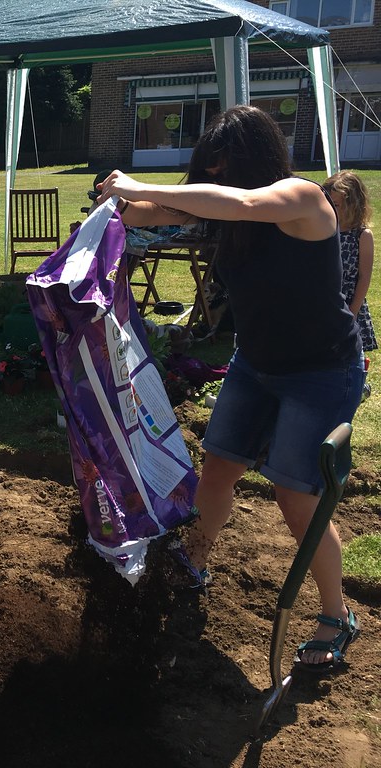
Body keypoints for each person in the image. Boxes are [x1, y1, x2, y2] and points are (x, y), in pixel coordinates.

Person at [97, 105, 364, 671]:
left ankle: (337, 615)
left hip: (321, 372)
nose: (211, 180)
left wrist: (139, 183)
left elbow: (238, 202)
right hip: (256, 364)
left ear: (250, 162)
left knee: (296, 497)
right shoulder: (224, 209)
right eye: (206, 170)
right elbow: (162, 208)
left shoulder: (301, 198)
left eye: (221, 168)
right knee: (216, 468)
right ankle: (194, 561)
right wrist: (117, 207)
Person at [323, 170, 376, 358]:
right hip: (325, 301)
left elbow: (364, 277)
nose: (331, 209)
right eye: (328, 203)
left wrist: (352, 313)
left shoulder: (362, 235)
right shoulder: (325, 230)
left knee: (348, 351)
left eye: (336, 205)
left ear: (352, 205)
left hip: (349, 303)